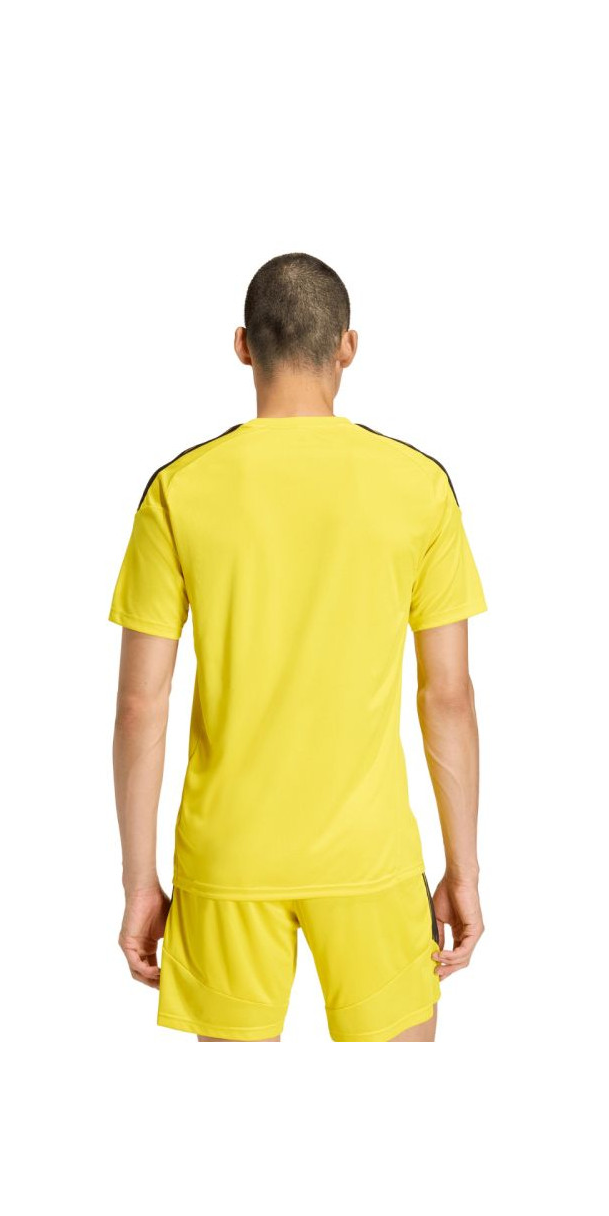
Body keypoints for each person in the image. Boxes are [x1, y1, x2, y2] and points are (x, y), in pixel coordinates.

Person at [108, 253, 487, 1042]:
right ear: (347, 346)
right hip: (370, 859)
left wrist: (140, 881)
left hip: (228, 857)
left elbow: (143, 703)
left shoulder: (179, 489)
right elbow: (447, 696)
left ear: (243, 345)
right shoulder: (418, 485)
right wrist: (464, 870)